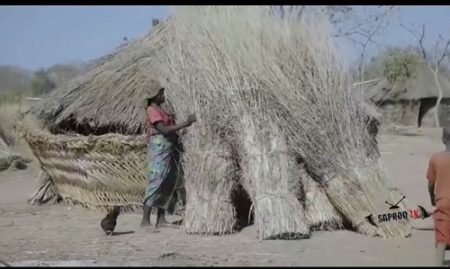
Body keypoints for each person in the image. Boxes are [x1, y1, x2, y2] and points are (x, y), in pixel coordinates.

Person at [141, 84, 196, 229]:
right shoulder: (152, 110)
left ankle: (161, 219)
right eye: (161, 93)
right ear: (154, 95)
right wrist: (186, 123)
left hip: (169, 148)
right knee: (156, 182)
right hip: (159, 148)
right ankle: (145, 221)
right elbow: (163, 129)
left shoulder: (161, 109)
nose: (163, 96)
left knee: (167, 182)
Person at [426, 126, 450, 266]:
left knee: (441, 235)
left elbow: (430, 184)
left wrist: (432, 198)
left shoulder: (436, 159)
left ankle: (438, 263)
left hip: (443, 201)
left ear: (443, 139)